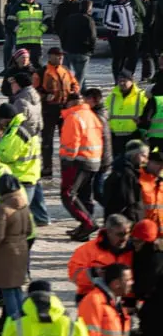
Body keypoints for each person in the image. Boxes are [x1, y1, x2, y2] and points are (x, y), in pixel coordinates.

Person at [0, 168, 32, 324]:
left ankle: (14, 325)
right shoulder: (24, 204)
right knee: (17, 288)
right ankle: (22, 323)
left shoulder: (3, 208)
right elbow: (30, 229)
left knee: (7, 290)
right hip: (22, 247)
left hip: (6, 251)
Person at [61, 93, 105, 240]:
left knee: (68, 194)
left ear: (71, 103)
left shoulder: (73, 117)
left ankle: (87, 223)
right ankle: (84, 228)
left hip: (79, 162)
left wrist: (67, 163)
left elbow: (71, 144)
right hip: (94, 160)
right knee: (84, 195)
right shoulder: (91, 115)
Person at [68, 215, 133, 302]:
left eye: (127, 233)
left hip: (125, 302)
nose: (124, 238)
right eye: (120, 234)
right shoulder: (87, 250)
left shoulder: (133, 250)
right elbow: (74, 275)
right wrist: (93, 273)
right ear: (108, 232)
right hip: (93, 300)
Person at [38, 47, 79, 178]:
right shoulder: (42, 71)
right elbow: (35, 89)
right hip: (48, 110)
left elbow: (75, 84)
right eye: (57, 56)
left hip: (65, 110)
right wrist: (44, 96)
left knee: (66, 141)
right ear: (50, 56)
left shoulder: (66, 70)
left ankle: (65, 167)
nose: (60, 58)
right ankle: (47, 168)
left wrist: (73, 92)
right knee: (47, 141)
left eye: (61, 56)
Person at [105, 0, 146, 78]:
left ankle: (128, 76)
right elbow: (107, 20)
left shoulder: (131, 0)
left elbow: (142, 13)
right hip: (117, 34)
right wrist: (120, 26)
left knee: (133, 56)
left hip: (133, 32)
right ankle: (118, 79)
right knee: (119, 57)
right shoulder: (111, 1)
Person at [62, 0, 98, 89]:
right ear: (89, 8)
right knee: (80, 76)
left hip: (69, 50)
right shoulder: (89, 20)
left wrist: (64, 46)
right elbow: (93, 36)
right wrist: (91, 50)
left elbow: (63, 33)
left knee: (69, 74)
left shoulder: (70, 18)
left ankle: (82, 91)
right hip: (83, 51)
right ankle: (76, 94)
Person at [10, 0, 46, 67]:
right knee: (20, 63)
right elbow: (10, 21)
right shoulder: (17, 7)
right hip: (22, 41)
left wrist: (41, 30)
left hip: (36, 41)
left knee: (37, 63)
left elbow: (47, 21)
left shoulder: (40, 6)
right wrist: (18, 30)